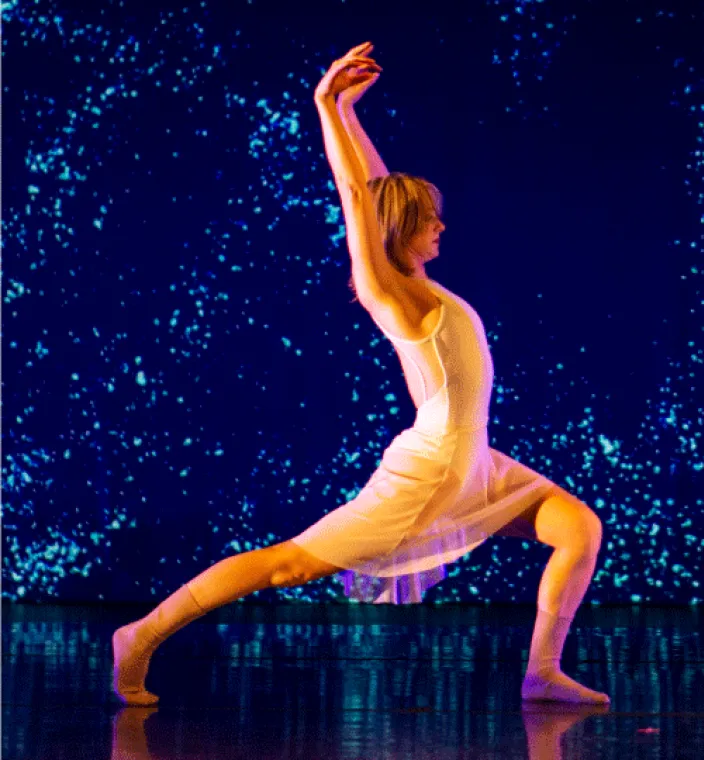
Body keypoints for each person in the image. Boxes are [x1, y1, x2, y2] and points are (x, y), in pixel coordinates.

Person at [112, 42, 609, 707]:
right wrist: (324, 103)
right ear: (402, 230)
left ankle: (540, 674)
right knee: (287, 565)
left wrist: (350, 111)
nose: (440, 224)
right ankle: (140, 636)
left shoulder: (420, 282)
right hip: (431, 469)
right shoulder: (394, 295)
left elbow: (373, 191)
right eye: (427, 217)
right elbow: (358, 200)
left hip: (476, 463)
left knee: (578, 527)